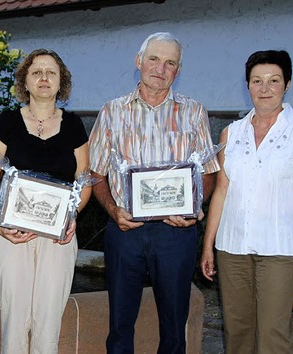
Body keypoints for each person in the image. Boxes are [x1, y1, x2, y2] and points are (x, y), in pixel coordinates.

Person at [88, 32, 220, 354]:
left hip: (175, 234)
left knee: (175, 328)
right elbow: (95, 174)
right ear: (139, 61)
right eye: (154, 59)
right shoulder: (111, 112)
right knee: (119, 325)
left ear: (178, 70)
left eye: (170, 63)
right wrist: (112, 209)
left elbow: (210, 172)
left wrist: (192, 207)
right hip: (125, 231)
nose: (160, 69)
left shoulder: (193, 112)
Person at [200, 50, 293, 353]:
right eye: (257, 81)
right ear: (247, 85)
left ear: (287, 84)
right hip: (232, 249)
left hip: (281, 250)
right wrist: (208, 245)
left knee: (273, 335)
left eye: (273, 80)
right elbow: (222, 191)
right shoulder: (232, 133)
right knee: (237, 332)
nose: (264, 88)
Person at [0, 49, 90, 353]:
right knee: (15, 320)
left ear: (61, 82)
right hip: (11, 234)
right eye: (36, 72)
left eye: (51, 72)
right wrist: (0, 226)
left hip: (59, 237)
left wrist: (72, 216)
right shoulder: (7, 123)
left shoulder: (74, 126)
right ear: (25, 82)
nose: (44, 78)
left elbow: (84, 182)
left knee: (48, 321)